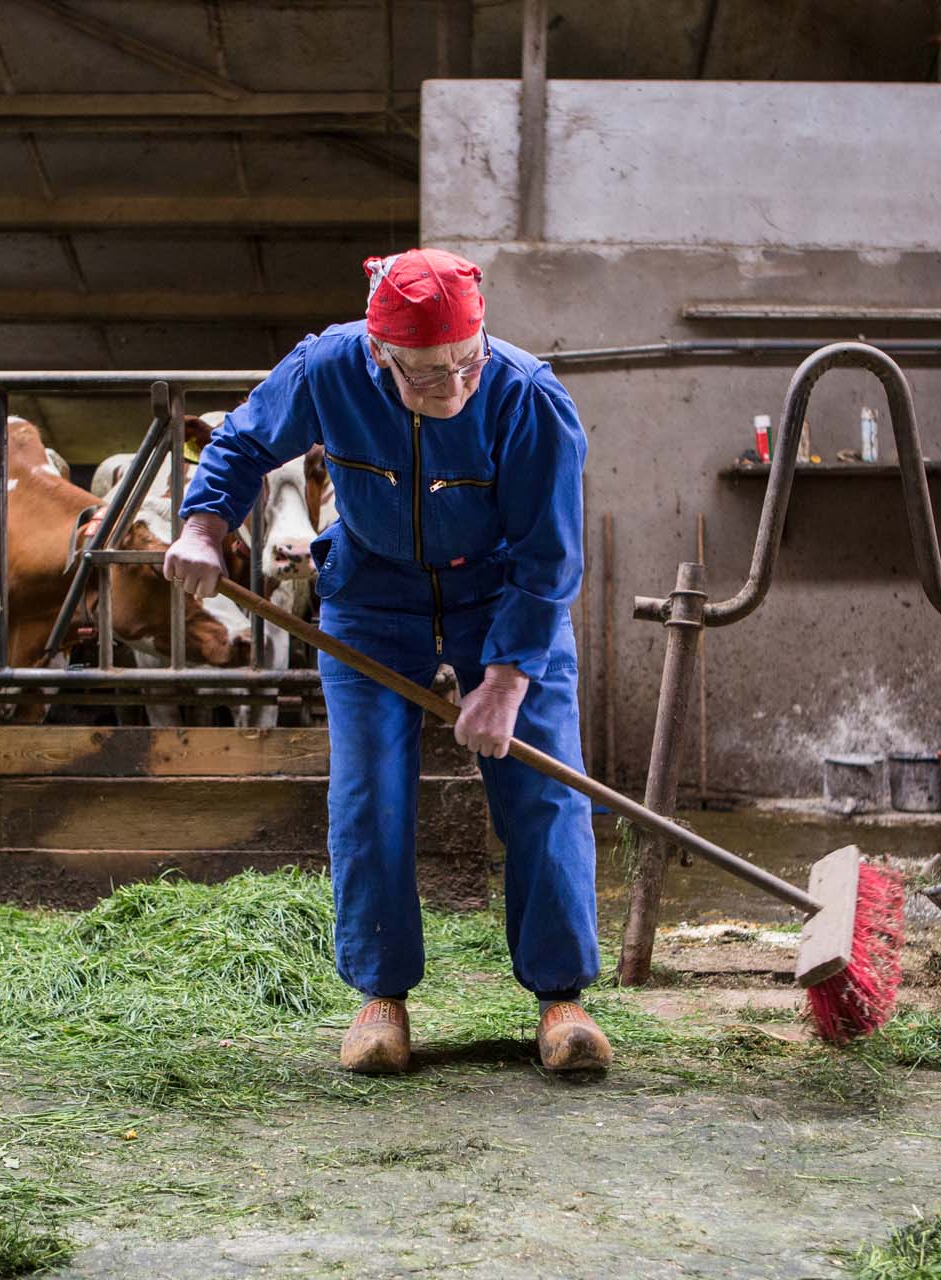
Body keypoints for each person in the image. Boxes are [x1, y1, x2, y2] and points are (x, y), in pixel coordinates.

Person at [164, 248, 609, 1074]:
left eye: (467, 363)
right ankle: (381, 999)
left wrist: (507, 678)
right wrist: (203, 526)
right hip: (371, 597)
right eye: (429, 375)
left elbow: (550, 558)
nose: (455, 389)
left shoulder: (529, 397)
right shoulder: (328, 366)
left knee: (543, 787)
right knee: (370, 795)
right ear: (380, 355)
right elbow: (241, 441)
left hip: (502, 599)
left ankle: (561, 998)